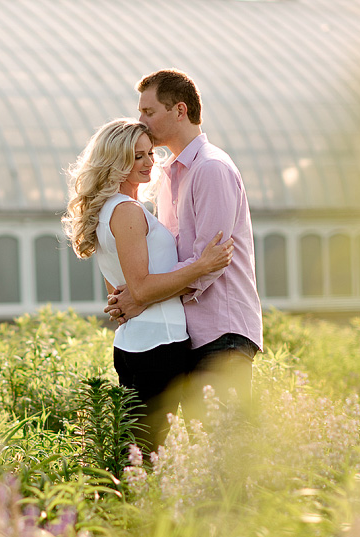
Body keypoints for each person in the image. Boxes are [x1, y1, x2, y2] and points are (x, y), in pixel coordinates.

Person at [63, 118, 233, 452]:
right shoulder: (126, 211)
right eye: (136, 156)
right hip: (158, 345)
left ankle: (128, 501)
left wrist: (134, 297)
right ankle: (128, 503)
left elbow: (119, 291)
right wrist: (202, 266)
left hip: (138, 343)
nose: (148, 162)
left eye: (148, 154)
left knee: (141, 450)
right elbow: (138, 289)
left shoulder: (110, 210)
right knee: (146, 454)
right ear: (115, 161)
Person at [106, 70, 263, 420]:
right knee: (197, 459)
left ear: (179, 110)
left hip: (221, 334)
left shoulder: (211, 169)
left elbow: (210, 263)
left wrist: (141, 293)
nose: (140, 120)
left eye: (149, 112)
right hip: (186, 335)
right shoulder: (168, 177)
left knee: (222, 456)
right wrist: (135, 290)